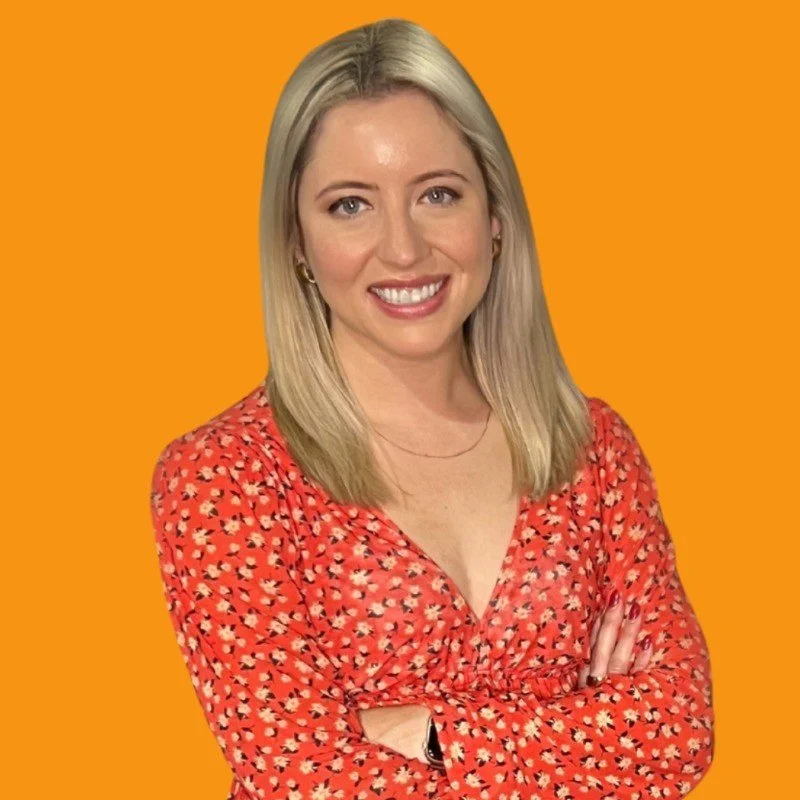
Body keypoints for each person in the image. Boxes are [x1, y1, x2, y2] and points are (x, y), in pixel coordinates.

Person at [149, 17, 715, 800]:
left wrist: (431, 733)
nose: (405, 249)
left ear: (495, 218)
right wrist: (584, 724)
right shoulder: (227, 477)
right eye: (350, 205)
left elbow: (679, 728)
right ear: (296, 246)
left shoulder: (592, 450)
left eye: (438, 194)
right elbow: (301, 777)